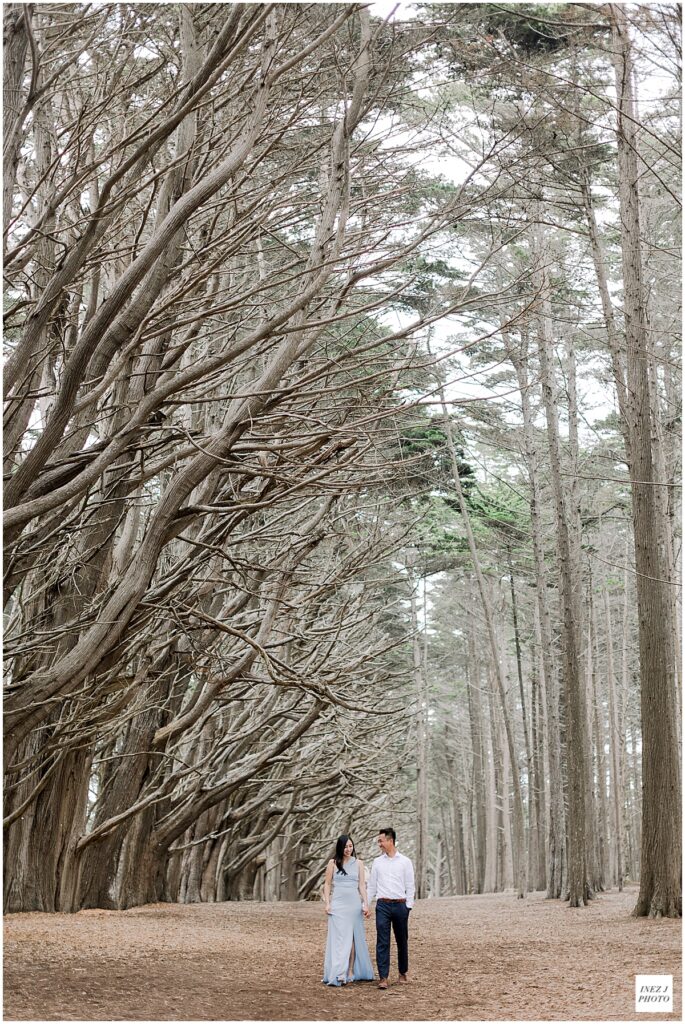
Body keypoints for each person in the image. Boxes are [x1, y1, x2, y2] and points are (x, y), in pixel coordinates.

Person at [321, 834, 374, 986]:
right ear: (340, 847)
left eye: (350, 846)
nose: (348, 849)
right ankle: (338, 971)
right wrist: (327, 903)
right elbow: (327, 884)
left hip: (353, 905)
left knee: (351, 939)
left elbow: (362, 886)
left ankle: (349, 970)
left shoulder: (359, 863)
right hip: (337, 905)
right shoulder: (332, 863)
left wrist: (365, 904)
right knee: (339, 938)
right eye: (345, 846)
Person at [366, 827, 415, 989]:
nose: (379, 843)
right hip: (383, 906)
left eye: (381, 840)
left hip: (400, 905)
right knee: (382, 941)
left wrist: (408, 906)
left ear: (390, 841)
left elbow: (410, 886)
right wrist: (365, 904)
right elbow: (372, 887)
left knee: (402, 940)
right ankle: (383, 977)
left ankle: (402, 973)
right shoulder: (377, 862)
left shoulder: (405, 862)